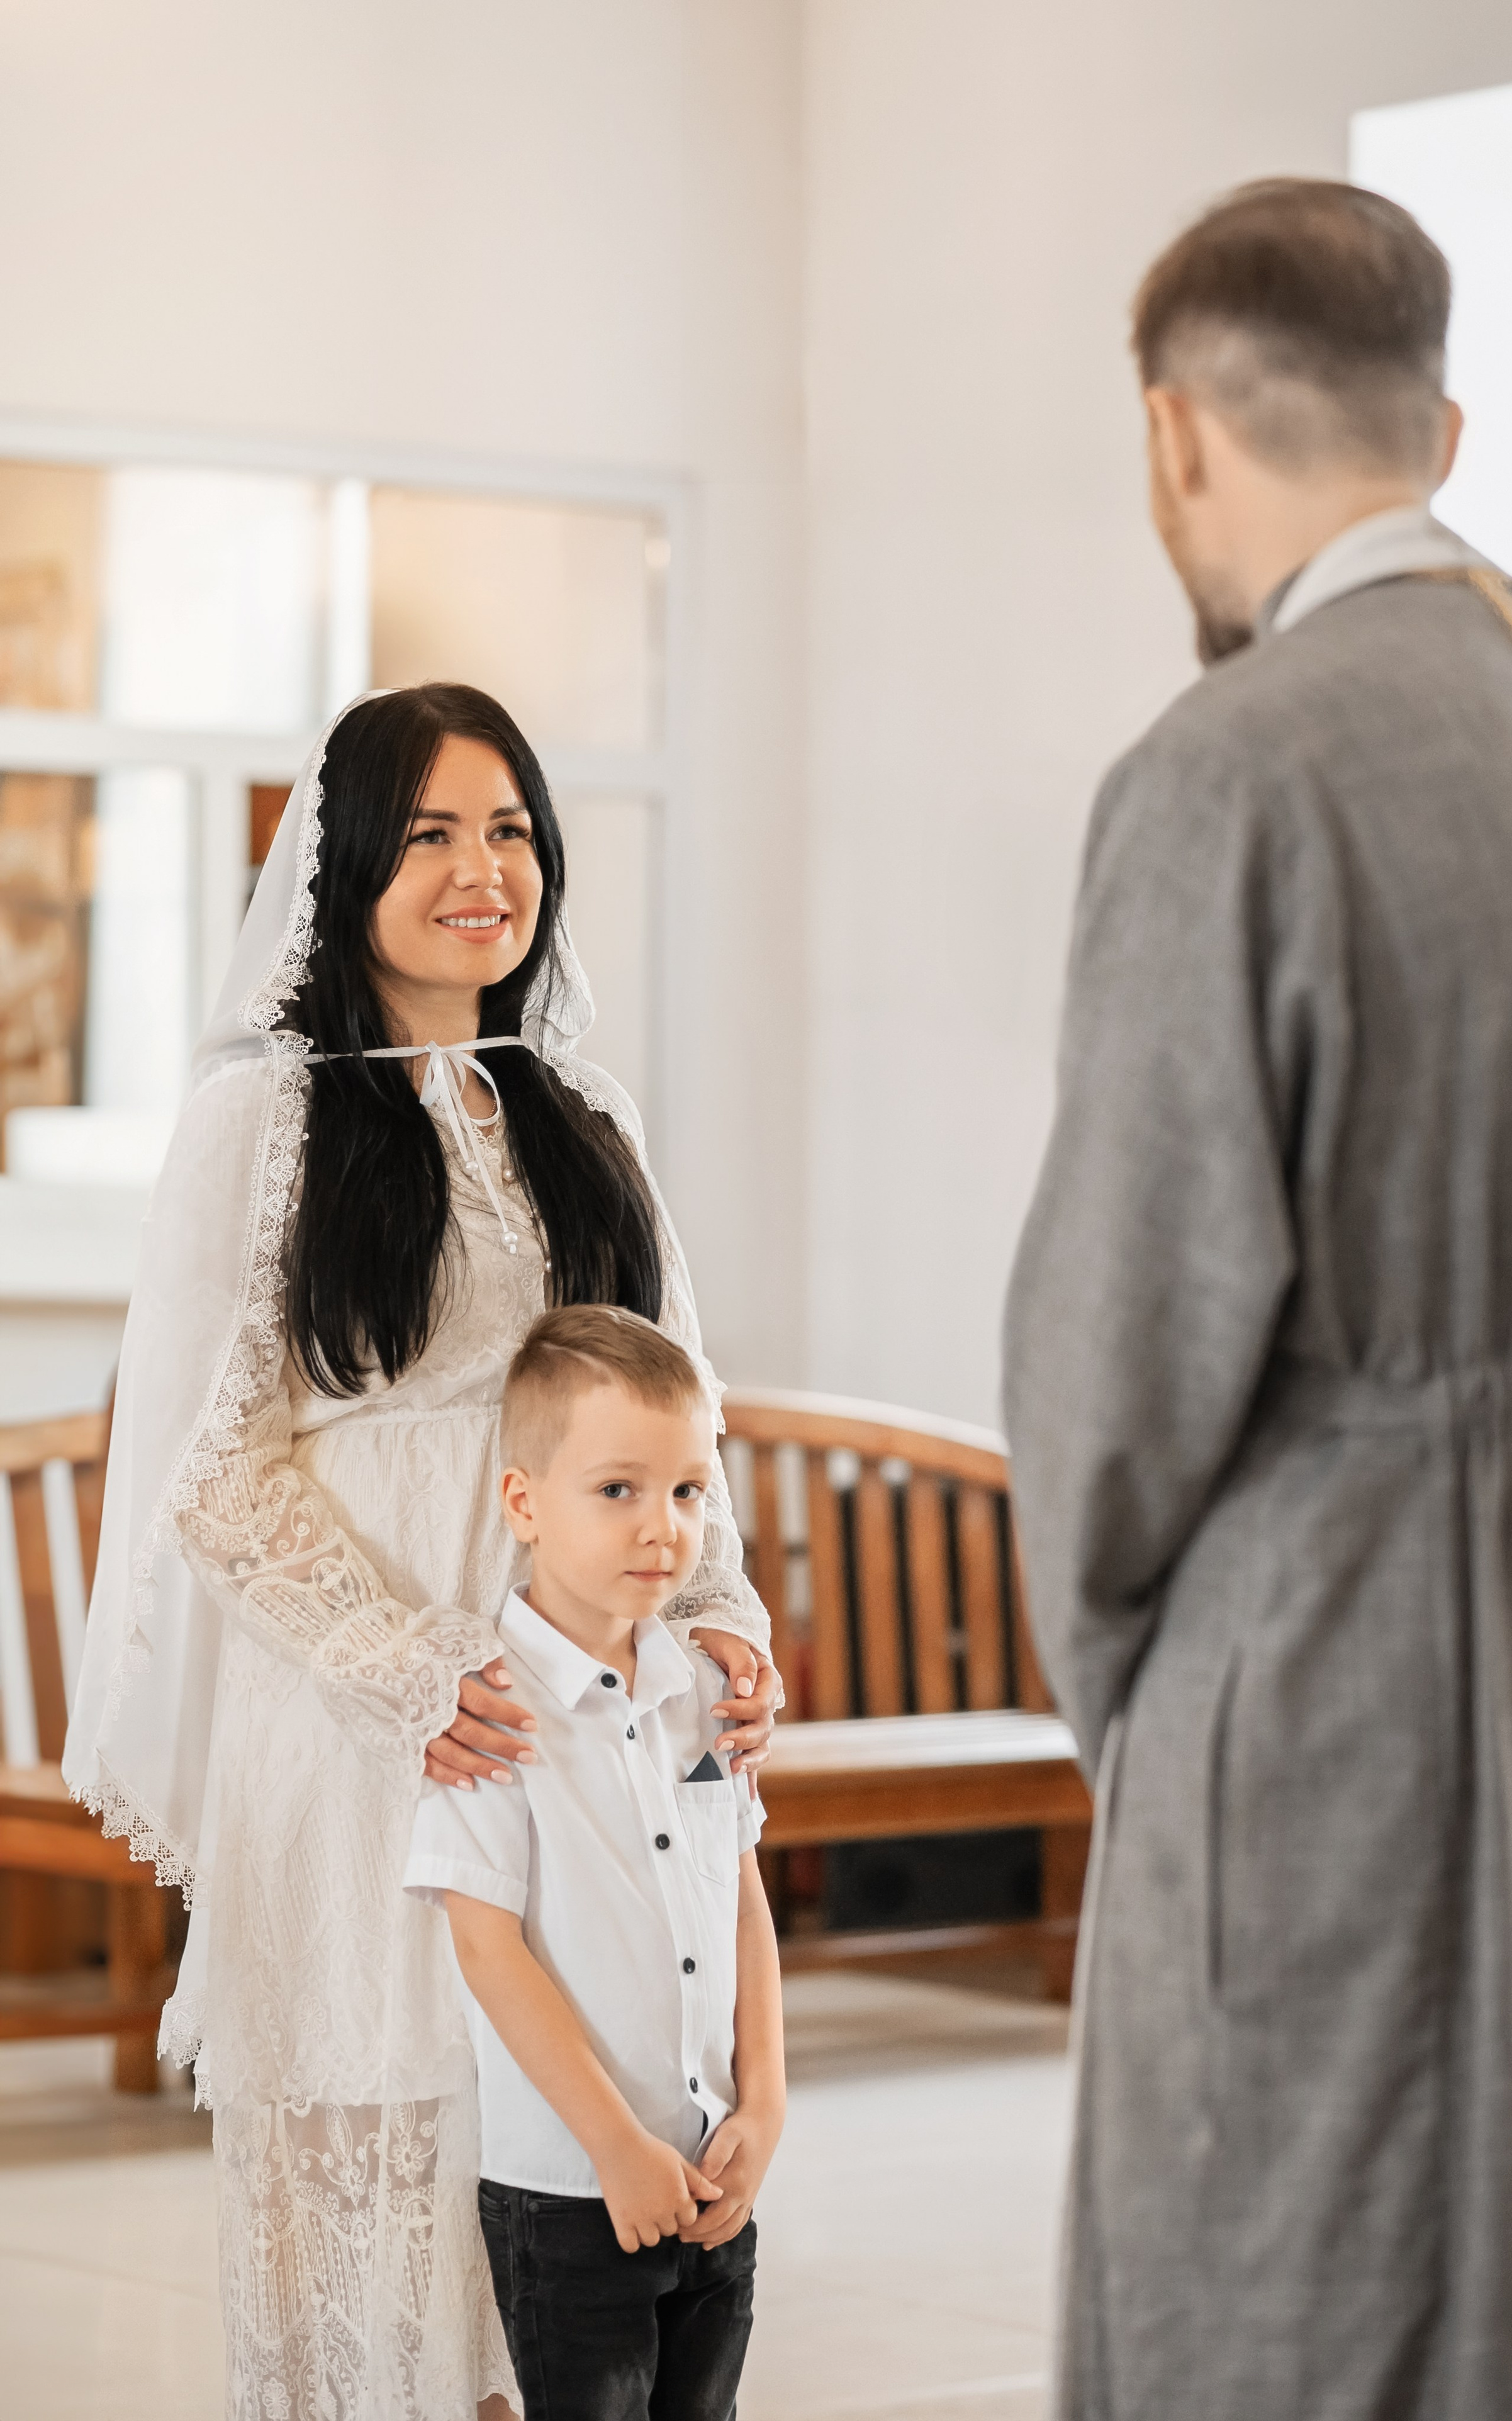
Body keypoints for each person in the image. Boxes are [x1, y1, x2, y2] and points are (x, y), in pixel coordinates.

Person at [1003, 179, 1512, 2420]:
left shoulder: (1231, 765)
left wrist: (1134, 1686)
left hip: (1323, 1631)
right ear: (1442, 430)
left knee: (1273, 2252)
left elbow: (1123, 1341)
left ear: (1177, 436)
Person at [62, 684, 780, 2421]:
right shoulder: (270, 1120)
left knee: (575, 2157)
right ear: (350, 868)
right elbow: (207, 1470)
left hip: (575, 1723)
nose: (484, 872)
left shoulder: (578, 1109)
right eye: (436, 833)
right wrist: (420, 1669)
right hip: (359, 1727)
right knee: (399, 2166)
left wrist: (722, 1614)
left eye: (514, 829)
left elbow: (672, 1407)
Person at [405, 1303, 786, 2420]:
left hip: (715, 2175)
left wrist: (764, 2103)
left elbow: (746, 1910)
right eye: (618, 1490)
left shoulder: (712, 1696)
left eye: (686, 1492)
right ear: (525, 1502)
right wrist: (615, 2146)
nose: (661, 1526)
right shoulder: (487, 1716)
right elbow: (489, 1948)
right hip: (573, 2192)